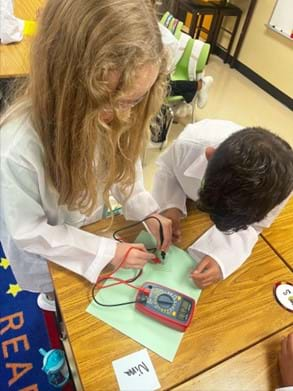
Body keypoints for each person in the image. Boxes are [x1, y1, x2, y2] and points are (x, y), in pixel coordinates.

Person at [0, 0, 173, 312]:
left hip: (84, 223)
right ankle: (50, 297)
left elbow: (124, 170)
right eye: (107, 101)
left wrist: (146, 210)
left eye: (133, 100)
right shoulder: (17, 149)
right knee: (57, 287)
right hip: (45, 243)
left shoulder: (118, 112)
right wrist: (104, 252)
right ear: (65, 85)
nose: (120, 114)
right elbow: (30, 231)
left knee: (80, 271)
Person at [152, 119, 293, 288]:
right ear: (209, 155)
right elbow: (167, 170)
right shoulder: (188, 146)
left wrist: (223, 258)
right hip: (190, 205)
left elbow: (256, 225)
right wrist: (170, 207)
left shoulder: (280, 186)